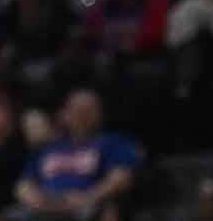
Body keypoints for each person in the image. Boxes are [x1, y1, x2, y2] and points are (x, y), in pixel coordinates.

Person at [12, 90, 140, 221]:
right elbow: (23, 184)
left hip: (88, 204)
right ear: (65, 114)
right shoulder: (48, 147)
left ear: (100, 114)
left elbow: (122, 179)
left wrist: (87, 197)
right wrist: (36, 200)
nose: (81, 115)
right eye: (76, 109)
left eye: (87, 110)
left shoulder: (113, 143)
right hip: (44, 205)